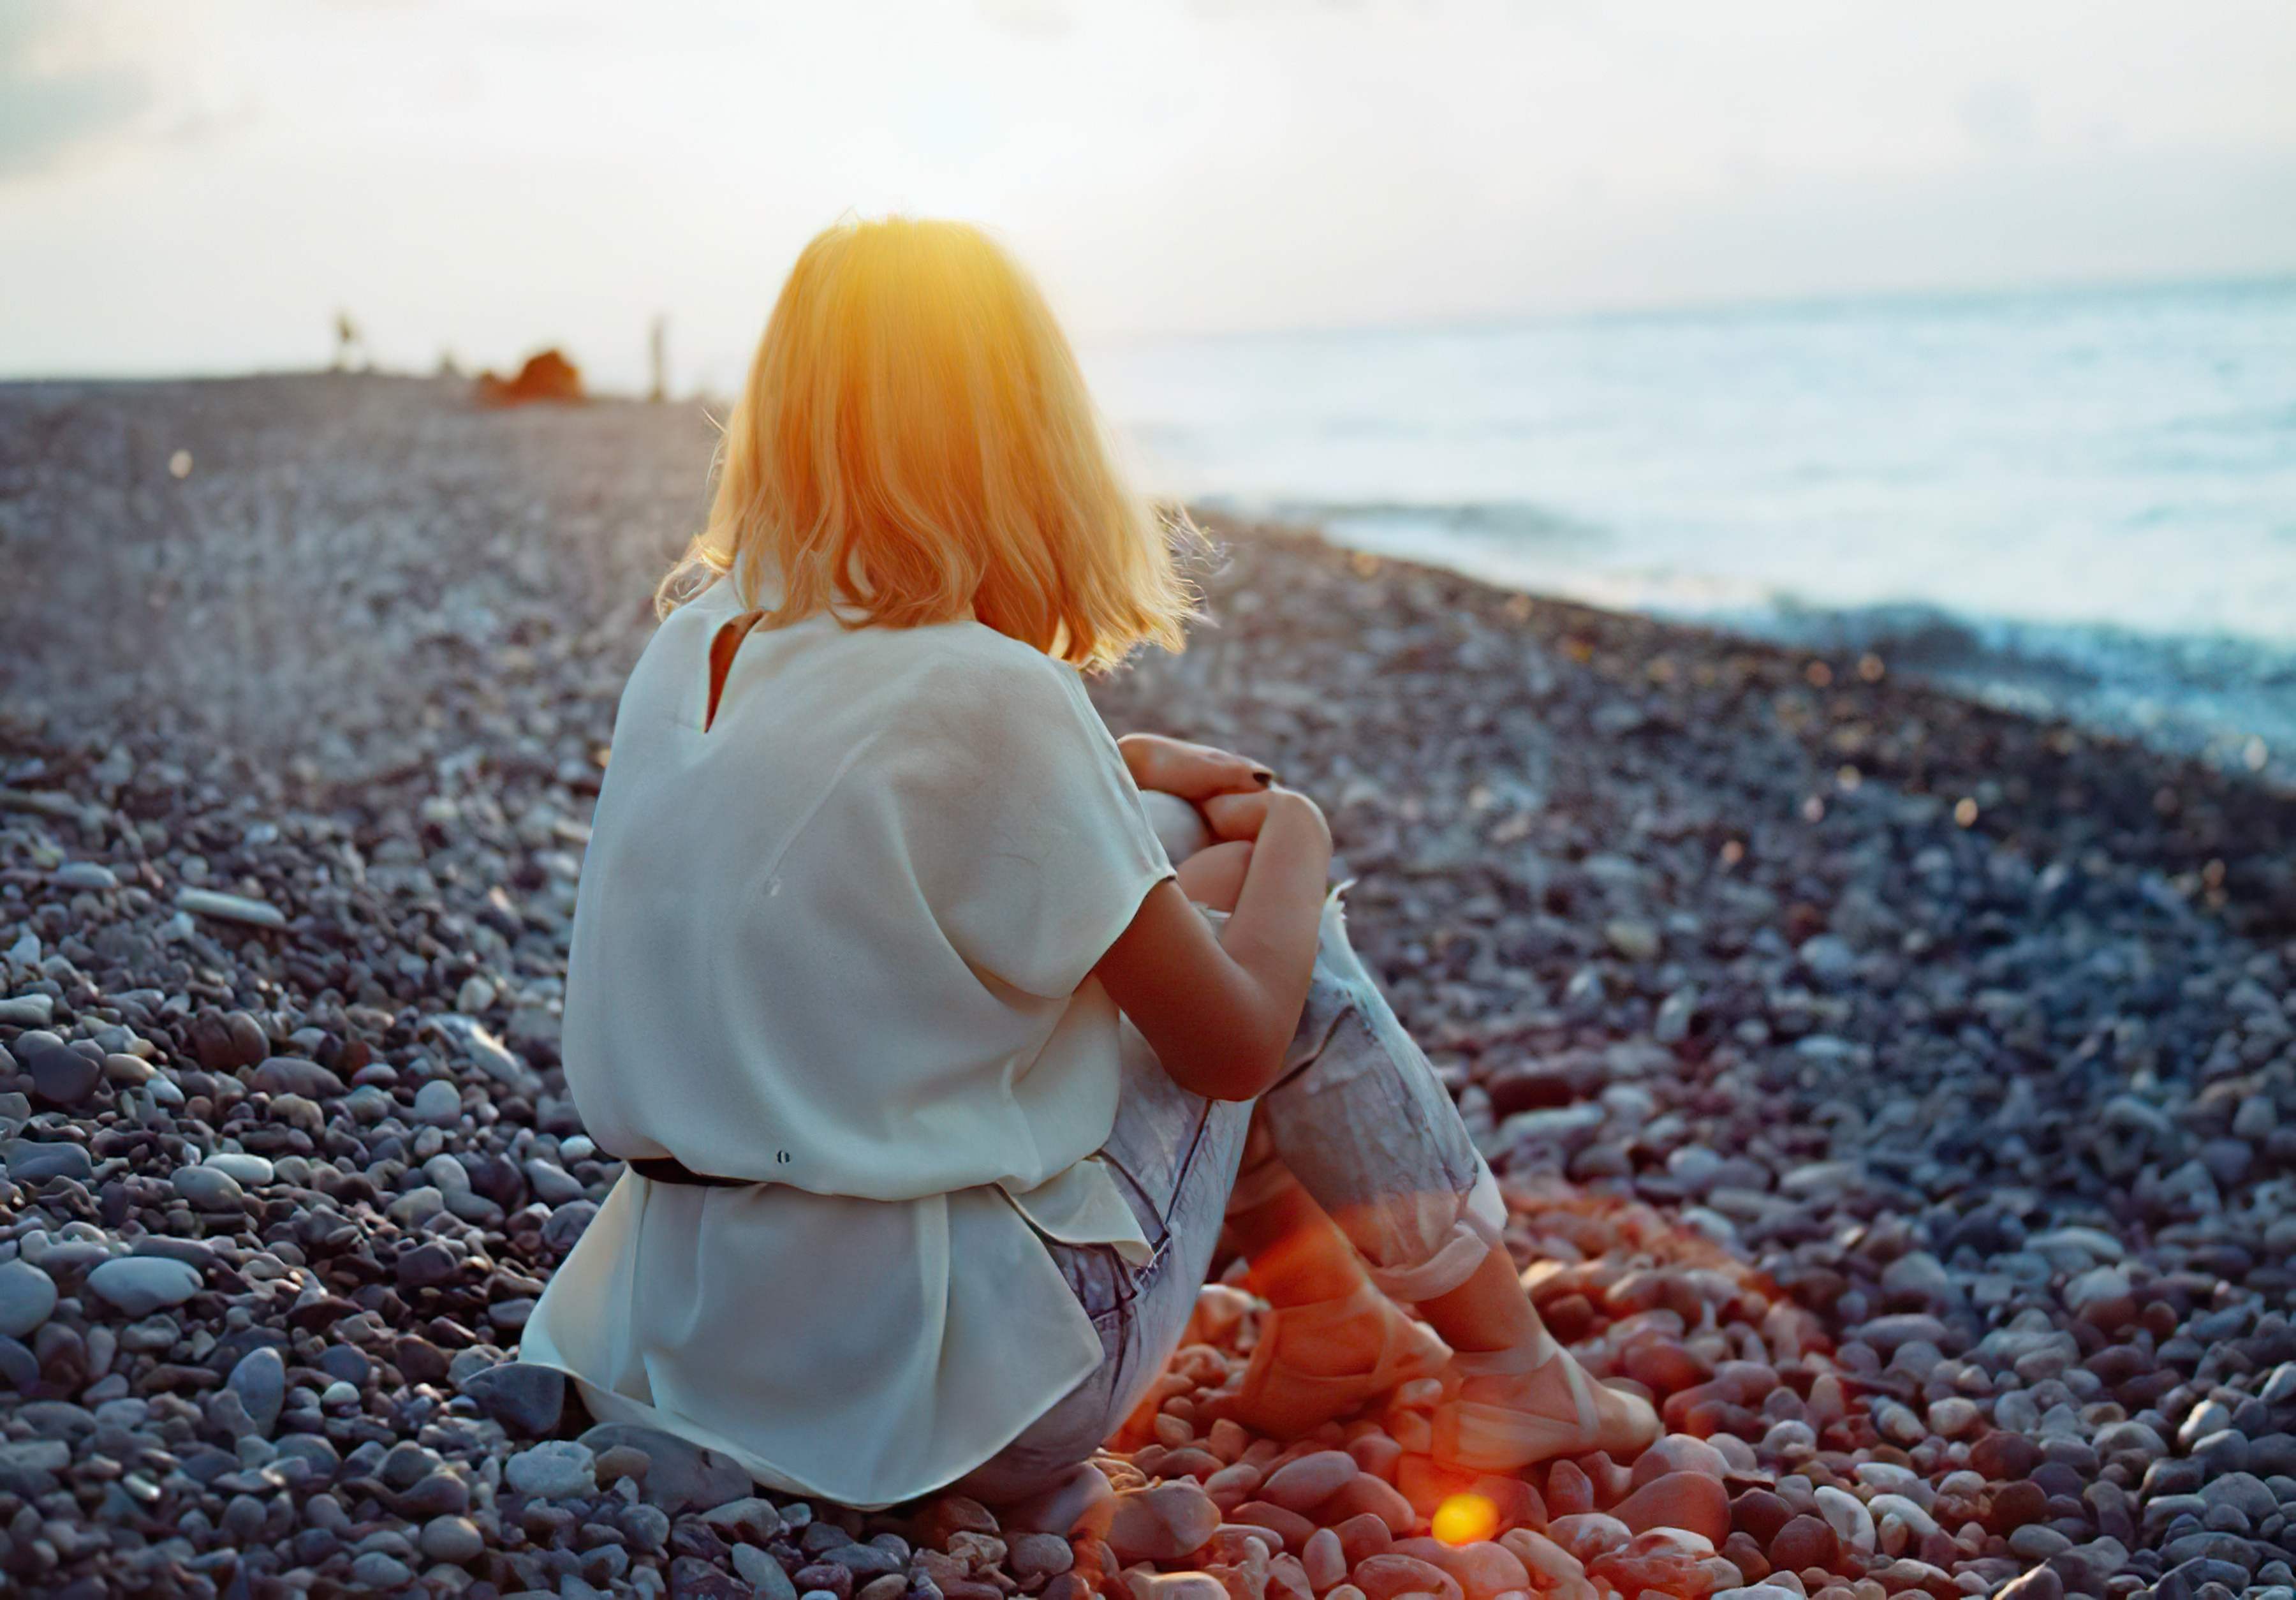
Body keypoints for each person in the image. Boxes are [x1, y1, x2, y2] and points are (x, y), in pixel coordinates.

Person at [515, 216, 1657, 1525]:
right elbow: (1231, 1048)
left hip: (683, 1347)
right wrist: (1298, 835)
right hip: (954, 1405)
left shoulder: (697, 649)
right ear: (1019, 428)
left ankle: (1336, 1323)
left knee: (1164, 866)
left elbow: (865, 826)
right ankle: (1514, 1362)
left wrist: (1133, 775)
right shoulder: (991, 688)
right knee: (1274, 932)